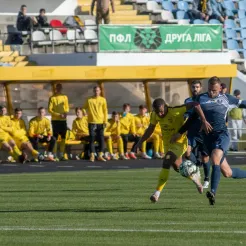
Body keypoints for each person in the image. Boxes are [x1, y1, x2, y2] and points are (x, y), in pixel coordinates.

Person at [173, 76, 246, 206]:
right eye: (211, 90)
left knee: (214, 158)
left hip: (221, 136)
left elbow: (243, 103)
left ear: (220, 89)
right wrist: (179, 133)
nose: (213, 93)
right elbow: (191, 119)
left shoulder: (227, 98)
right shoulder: (200, 99)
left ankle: (212, 192)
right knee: (227, 173)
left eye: (216, 91)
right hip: (207, 138)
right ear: (208, 88)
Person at [134, 98, 211, 203]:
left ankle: (156, 193)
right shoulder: (154, 115)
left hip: (180, 143)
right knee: (178, 168)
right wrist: (140, 141)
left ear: (165, 106)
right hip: (167, 145)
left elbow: (196, 104)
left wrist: (203, 120)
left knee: (167, 160)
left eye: (161, 111)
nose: (160, 114)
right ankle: (195, 179)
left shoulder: (176, 110)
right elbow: (150, 129)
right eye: (158, 112)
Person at [184, 80, 211, 189]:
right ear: (191, 88)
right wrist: (185, 117)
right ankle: (196, 165)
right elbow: (186, 113)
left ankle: (207, 178)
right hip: (191, 132)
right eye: (193, 87)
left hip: (203, 133)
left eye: (197, 87)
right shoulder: (188, 100)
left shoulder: (205, 100)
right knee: (187, 153)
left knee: (205, 158)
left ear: (200, 88)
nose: (195, 89)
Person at [83, 86, 108, 162]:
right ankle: (92, 155)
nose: (96, 92)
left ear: (100, 91)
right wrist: (85, 113)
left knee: (101, 139)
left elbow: (105, 111)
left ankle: (100, 155)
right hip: (92, 122)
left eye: (97, 90)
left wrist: (105, 121)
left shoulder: (103, 100)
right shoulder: (89, 99)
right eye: (95, 90)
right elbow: (84, 108)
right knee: (92, 139)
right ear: (93, 91)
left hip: (100, 122)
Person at [48, 83, 69, 161]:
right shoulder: (52, 98)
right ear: (56, 88)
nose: (59, 89)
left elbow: (67, 107)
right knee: (55, 138)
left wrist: (65, 113)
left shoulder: (64, 97)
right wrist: (58, 115)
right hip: (55, 120)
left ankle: (62, 154)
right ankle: (55, 154)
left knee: (63, 137)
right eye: (58, 87)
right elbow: (50, 109)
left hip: (63, 120)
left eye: (60, 87)